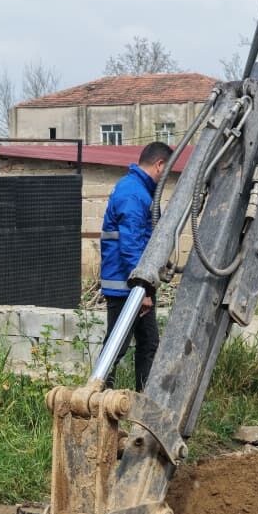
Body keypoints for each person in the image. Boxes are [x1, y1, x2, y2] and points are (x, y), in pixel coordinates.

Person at [99, 140, 174, 390]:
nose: (167, 178)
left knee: (148, 343)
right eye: (168, 170)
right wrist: (140, 289)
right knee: (116, 347)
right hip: (127, 287)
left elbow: (144, 239)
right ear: (159, 165)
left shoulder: (139, 190)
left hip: (136, 286)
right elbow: (131, 244)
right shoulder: (133, 193)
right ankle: (97, 398)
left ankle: (141, 400)